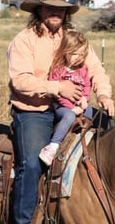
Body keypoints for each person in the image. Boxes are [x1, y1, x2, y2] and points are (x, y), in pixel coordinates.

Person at [7, 0, 115, 224]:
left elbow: (96, 70)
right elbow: (20, 80)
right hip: (35, 111)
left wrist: (104, 94)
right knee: (32, 163)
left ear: (66, 13)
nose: (55, 13)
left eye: (60, 9)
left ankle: (107, 222)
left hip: (72, 107)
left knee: (114, 137)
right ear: (39, 10)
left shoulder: (75, 39)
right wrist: (58, 88)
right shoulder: (24, 40)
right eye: (49, 8)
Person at [39, 29, 98, 166]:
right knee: (69, 117)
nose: (79, 57)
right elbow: (58, 93)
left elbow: (87, 85)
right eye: (74, 54)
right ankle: (53, 146)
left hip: (79, 106)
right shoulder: (58, 69)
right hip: (61, 107)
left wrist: (85, 99)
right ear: (65, 52)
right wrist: (72, 108)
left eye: (82, 54)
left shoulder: (83, 69)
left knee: (98, 116)